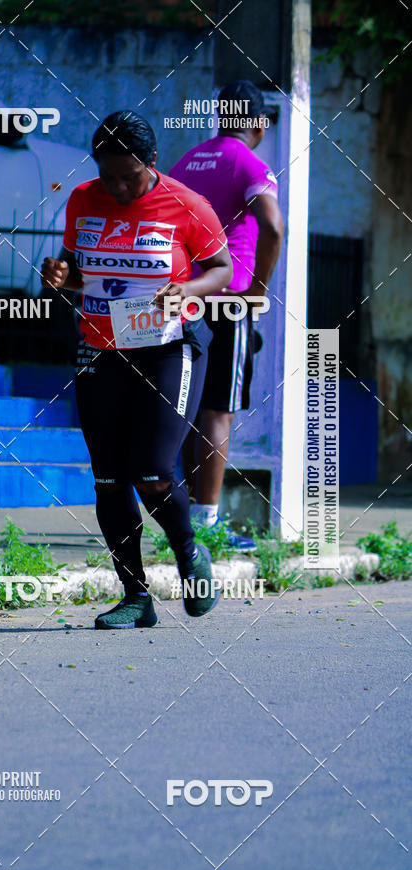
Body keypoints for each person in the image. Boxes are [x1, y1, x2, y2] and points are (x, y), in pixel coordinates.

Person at [41, 110, 233, 629]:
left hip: (169, 348)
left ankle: (190, 554)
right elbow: (75, 268)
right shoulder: (83, 199)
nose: (120, 187)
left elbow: (223, 269)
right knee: (108, 480)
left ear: (152, 162)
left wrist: (186, 290)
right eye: (109, 175)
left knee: (151, 472)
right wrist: (59, 275)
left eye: (131, 175)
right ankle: (135, 596)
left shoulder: (186, 204)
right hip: (102, 349)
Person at [170, 80, 285, 550]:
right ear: (257, 122)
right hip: (228, 298)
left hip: (183, 296)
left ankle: (179, 516)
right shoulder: (250, 164)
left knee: (185, 405)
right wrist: (258, 288)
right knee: (219, 409)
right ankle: (209, 522)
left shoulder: (185, 162)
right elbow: (275, 227)